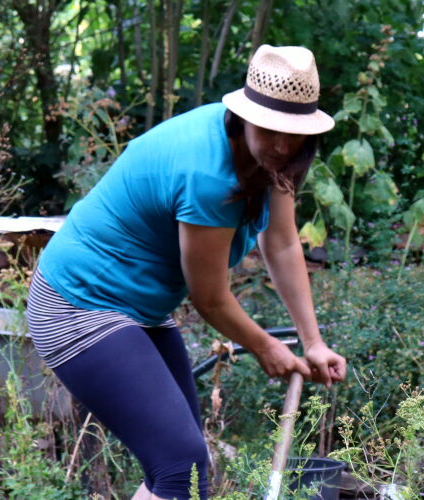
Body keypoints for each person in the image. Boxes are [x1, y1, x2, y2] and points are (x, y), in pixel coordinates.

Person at [25, 45, 348, 500]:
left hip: (138, 306)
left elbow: (281, 241)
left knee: (183, 471)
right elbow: (210, 297)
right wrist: (264, 346)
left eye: (293, 134)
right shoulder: (208, 173)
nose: (280, 144)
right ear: (245, 115)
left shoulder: (272, 160)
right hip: (77, 303)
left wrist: (312, 342)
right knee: (182, 465)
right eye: (271, 130)